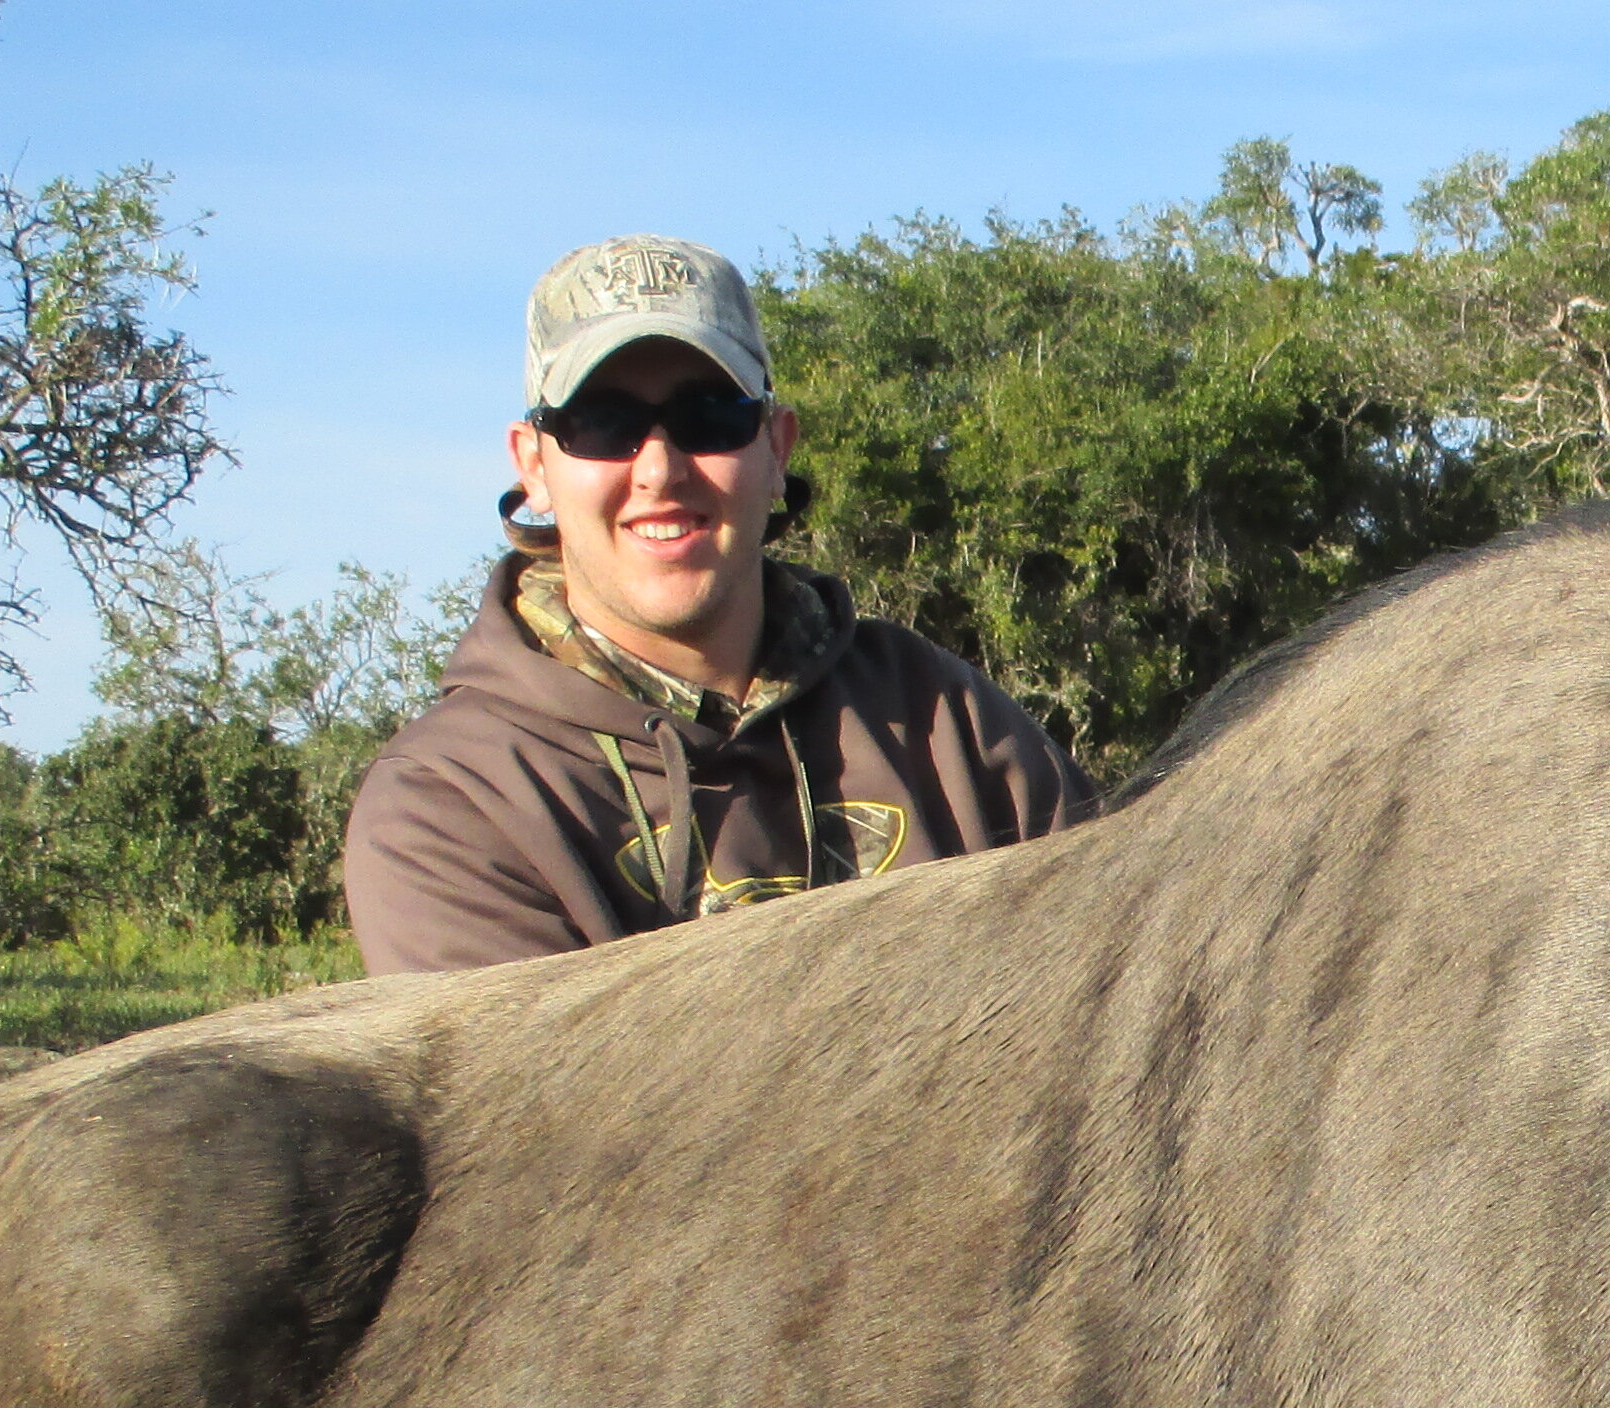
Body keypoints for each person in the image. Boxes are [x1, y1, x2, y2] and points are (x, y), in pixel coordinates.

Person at [342, 234, 1091, 973]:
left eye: (710, 418)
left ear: (777, 450)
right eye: (603, 424)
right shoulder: (450, 803)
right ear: (534, 466)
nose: (661, 470)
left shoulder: (945, 718)